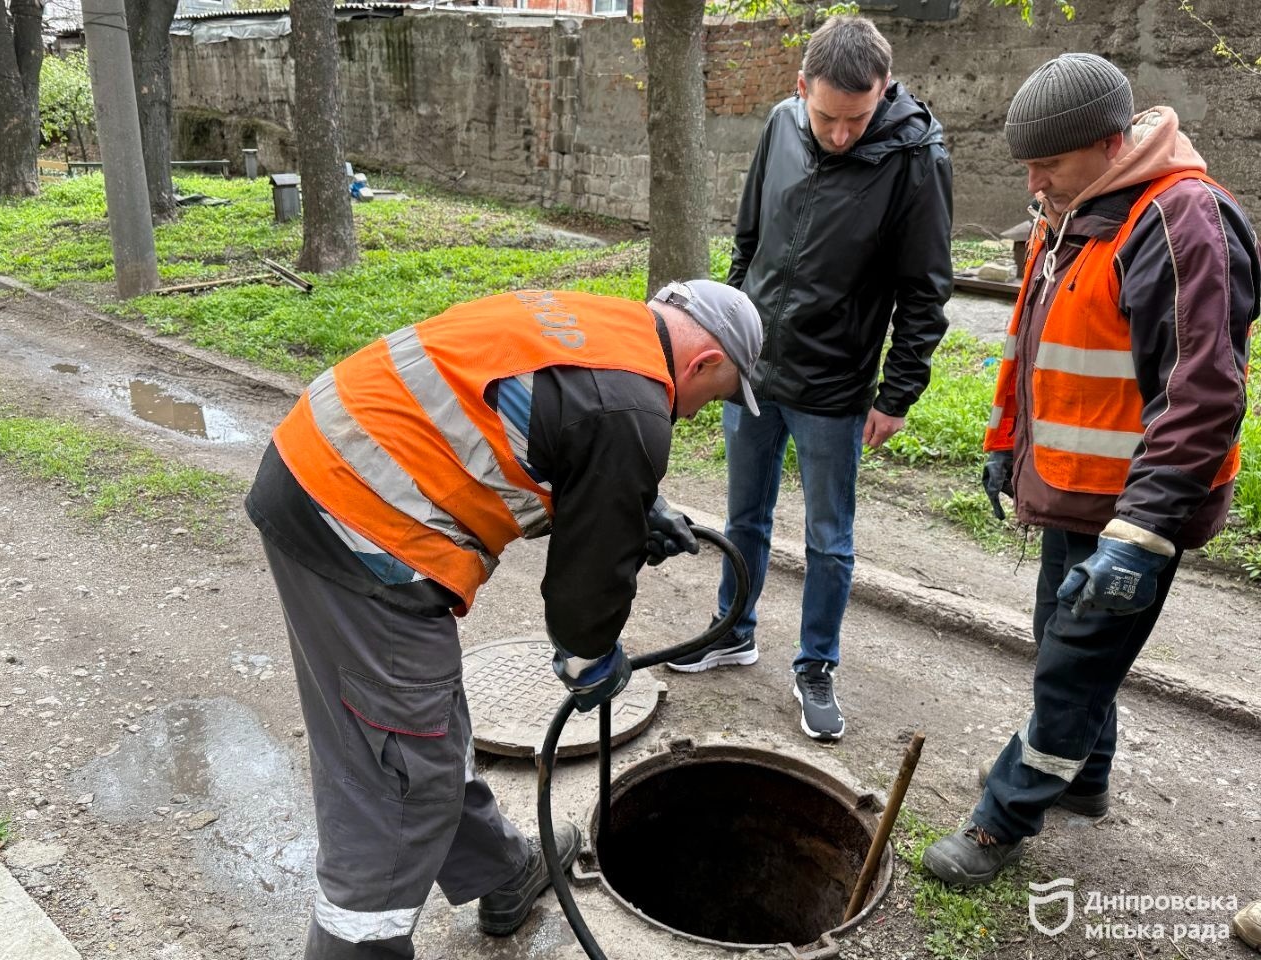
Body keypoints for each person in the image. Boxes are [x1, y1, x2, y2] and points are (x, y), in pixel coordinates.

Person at [245, 281, 763, 958]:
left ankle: (503, 872)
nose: (694, 414)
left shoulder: (606, 321)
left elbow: (553, 424)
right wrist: (591, 661)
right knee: (401, 776)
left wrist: (637, 503)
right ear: (705, 361)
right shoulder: (633, 410)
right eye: (714, 396)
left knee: (420, 726)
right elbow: (584, 595)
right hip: (362, 524)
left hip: (321, 464)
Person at [923, 53, 1258, 887]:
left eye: (1049, 164)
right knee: (1064, 646)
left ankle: (1003, 819)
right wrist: (1007, 446)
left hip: (1133, 513)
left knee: (1071, 670)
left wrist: (1139, 538)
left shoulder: (1181, 222)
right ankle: (1085, 779)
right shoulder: (1077, 207)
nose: (1033, 183)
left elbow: (1203, 395)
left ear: (1112, 144)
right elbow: (1043, 345)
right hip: (1073, 492)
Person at [668, 14, 953, 742]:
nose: (841, 134)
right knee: (744, 518)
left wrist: (898, 392)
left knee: (829, 539)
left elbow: (924, 291)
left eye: (857, 117)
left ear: (884, 90)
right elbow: (749, 241)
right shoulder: (780, 126)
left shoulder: (916, 158)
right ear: (802, 89)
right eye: (827, 117)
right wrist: (729, 337)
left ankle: (816, 665)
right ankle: (733, 631)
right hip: (754, 373)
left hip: (835, 386)